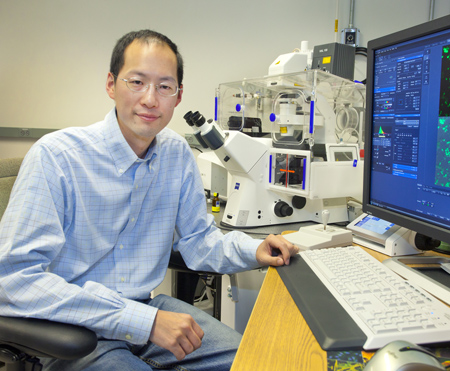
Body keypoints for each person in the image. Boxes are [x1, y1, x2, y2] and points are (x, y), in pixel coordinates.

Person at [0, 29, 298, 371]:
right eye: (136, 82)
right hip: (71, 332)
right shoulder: (57, 157)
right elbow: (14, 280)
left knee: (260, 362)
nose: (150, 99)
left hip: (145, 311)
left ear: (178, 95)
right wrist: (144, 321)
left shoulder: (176, 153)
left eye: (164, 86)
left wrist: (253, 250)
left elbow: (199, 241)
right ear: (111, 85)